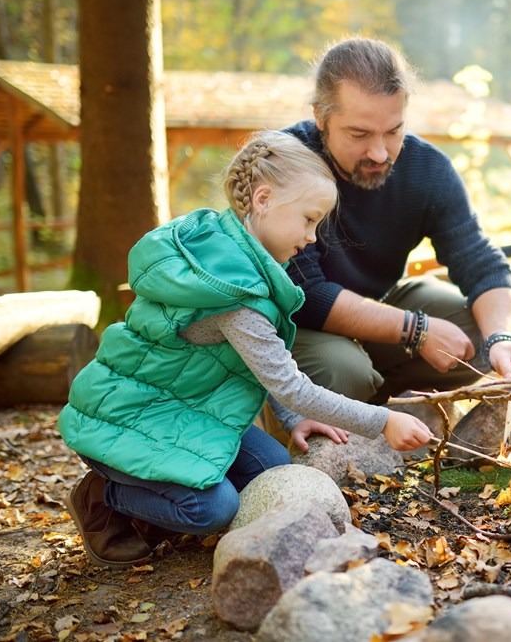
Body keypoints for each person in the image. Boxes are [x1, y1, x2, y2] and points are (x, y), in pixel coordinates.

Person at [57, 130, 432, 569]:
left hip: (181, 405)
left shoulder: (230, 252)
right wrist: (383, 420)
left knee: (269, 466)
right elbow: (290, 385)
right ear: (264, 199)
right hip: (126, 415)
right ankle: (104, 495)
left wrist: (293, 419)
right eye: (308, 220)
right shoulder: (233, 293)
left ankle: (152, 499)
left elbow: (260, 363)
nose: (312, 237)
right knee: (212, 510)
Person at [259, 37, 511, 441]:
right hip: (293, 324)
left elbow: (481, 262)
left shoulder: (427, 170)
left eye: (394, 131)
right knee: (343, 372)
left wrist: (503, 339)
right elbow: (305, 294)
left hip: (382, 303)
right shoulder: (283, 163)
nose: (379, 152)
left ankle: (382, 406)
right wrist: (416, 330)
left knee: (479, 338)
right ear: (321, 117)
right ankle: (300, 436)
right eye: (359, 134)